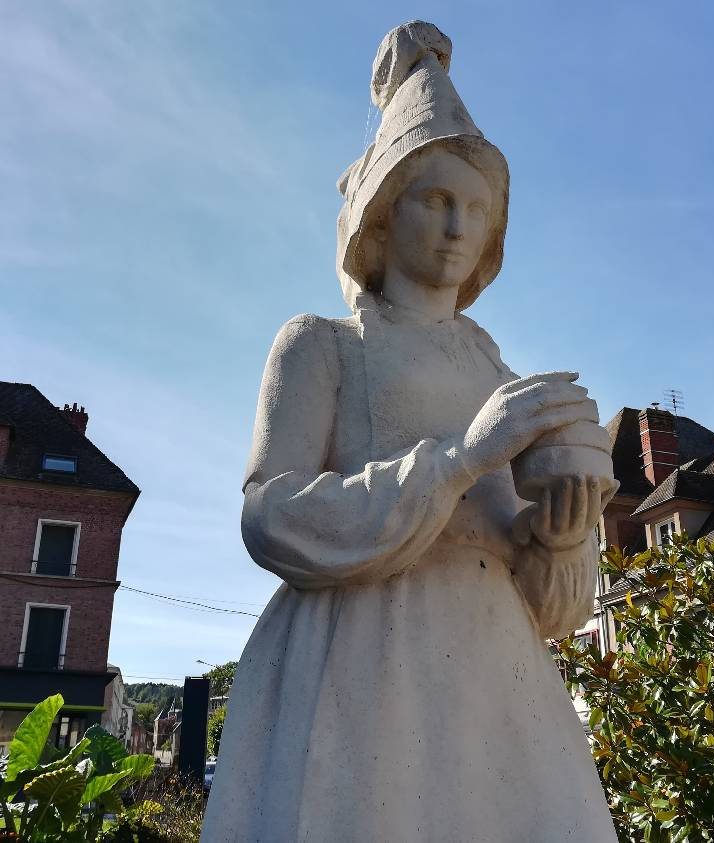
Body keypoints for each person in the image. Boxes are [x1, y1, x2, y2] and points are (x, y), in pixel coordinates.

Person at [201, 21, 618, 842]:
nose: (459, 227)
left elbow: (551, 609)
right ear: (384, 218)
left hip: (495, 685)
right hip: (359, 663)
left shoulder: (503, 379)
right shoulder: (324, 346)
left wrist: (564, 539)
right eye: (436, 200)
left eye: (476, 208)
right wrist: (462, 459)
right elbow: (271, 515)